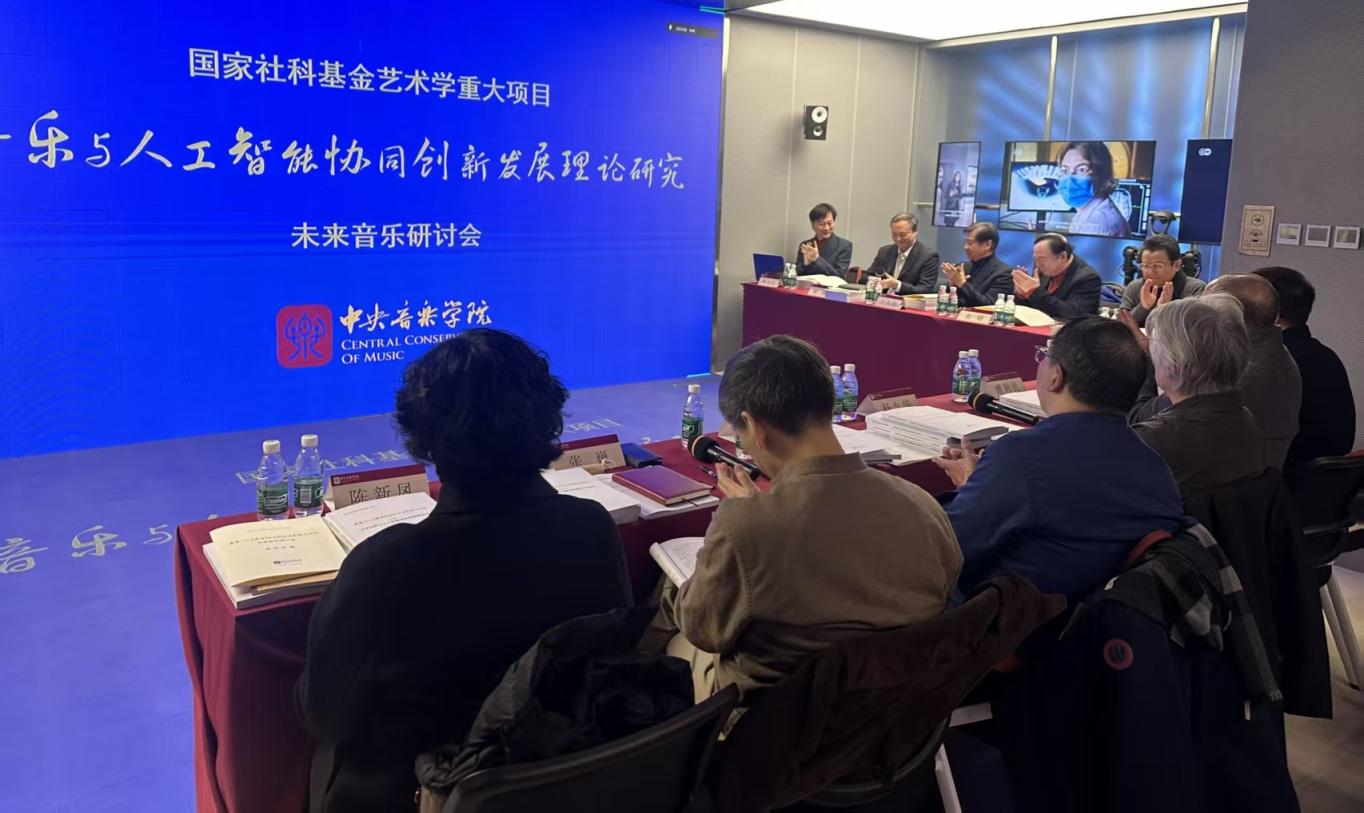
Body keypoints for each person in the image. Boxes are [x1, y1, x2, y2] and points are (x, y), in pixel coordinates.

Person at [298, 330, 632, 812]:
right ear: (546, 423)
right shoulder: (592, 526)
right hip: (561, 783)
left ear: (426, 441)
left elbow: (324, 714)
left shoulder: (385, 566)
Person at [665, 335, 962, 703]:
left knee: (673, 634)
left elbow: (702, 629)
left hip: (775, 721)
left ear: (753, 427)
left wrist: (746, 518)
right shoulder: (922, 504)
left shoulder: (746, 525)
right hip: (900, 712)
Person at [935, 318, 1183, 602]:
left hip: (1018, 618)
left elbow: (947, 546)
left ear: (1056, 376)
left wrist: (971, 488)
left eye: (1044, 356)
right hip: (1108, 616)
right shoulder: (1155, 464)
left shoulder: (1022, 456)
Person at [1129, 273, 1302, 471]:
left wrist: (1157, 352)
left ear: (1227, 312)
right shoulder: (1275, 353)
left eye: (1203, 306)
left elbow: (1141, 419)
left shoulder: (1234, 369)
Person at [1131, 295, 1265, 497]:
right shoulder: (1242, 416)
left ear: (1174, 364)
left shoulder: (1153, 440)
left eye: (1154, 349)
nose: (1151, 354)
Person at [1253, 266, 1357, 472]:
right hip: (1319, 482)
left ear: (1275, 314)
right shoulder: (1324, 354)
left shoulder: (1275, 361)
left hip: (1284, 478)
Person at [1118, 233, 1206, 327]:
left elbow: (1192, 329)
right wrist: (1143, 307)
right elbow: (1121, 326)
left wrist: (1164, 310)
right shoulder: (1135, 286)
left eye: (1158, 266)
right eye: (1145, 266)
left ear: (1177, 265)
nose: (1150, 272)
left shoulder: (1195, 289)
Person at [1011, 232, 1101, 320]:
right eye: (1035, 259)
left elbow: (1074, 314)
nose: (1038, 264)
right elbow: (1031, 311)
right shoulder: (1042, 270)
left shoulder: (1088, 278)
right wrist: (1022, 294)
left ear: (1063, 256)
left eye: (1042, 259)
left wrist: (1034, 292)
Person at [1057, 140, 1129, 238]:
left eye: (1081, 170)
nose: (1069, 181)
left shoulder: (1098, 222)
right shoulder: (1088, 211)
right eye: (1065, 170)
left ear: (1101, 173)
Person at [865, 213, 941, 295]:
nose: (898, 239)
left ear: (915, 232)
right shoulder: (884, 251)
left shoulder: (928, 256)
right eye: (894, 234)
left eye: (903, 235)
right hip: (881, 298)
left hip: (907, 301)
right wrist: (875, 280)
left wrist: (897, 285)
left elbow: (924, 290)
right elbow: (867, 276)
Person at [942, 222, 1013, 307]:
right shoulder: (963, 267)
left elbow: (989, 306)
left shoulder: (1003, 274)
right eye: (966, 242)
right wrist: (951, 285)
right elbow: (949, 302)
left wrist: (962, 283)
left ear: (987, 245)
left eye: (970, 243)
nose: (965, 247)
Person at [795, 202, 853, 279]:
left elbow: (839, 276)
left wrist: (817, 259)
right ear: (812, 225)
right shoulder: (806, 245)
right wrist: (805, 264)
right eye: (821, 224)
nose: (826, 228)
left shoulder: (844, 246)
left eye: (830, 223)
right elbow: (796, 273)